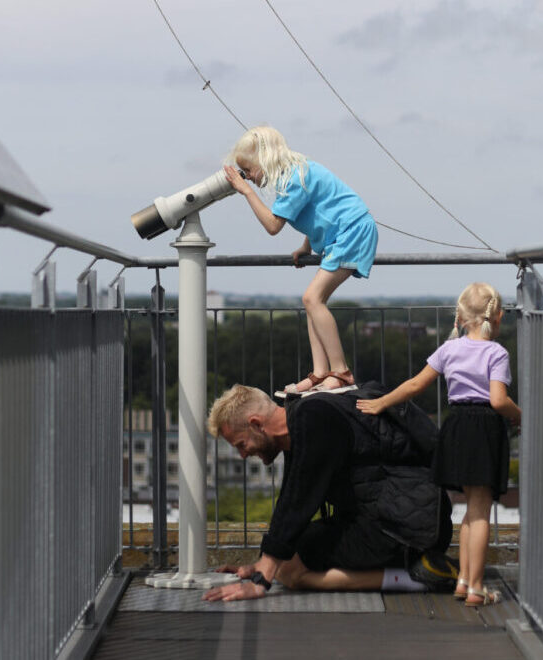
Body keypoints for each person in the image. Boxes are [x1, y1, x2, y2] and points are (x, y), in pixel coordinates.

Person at [202, 383, 456, 602]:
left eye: (241, 445)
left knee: (289, 570)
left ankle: (414, 578)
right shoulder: (303, 419)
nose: (243, 455)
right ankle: (418, 569)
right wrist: (261, 563)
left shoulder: (315, 419)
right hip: (396, 515)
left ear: (256, 424)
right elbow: (289, 503)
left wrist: (262, 579)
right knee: (287, 560)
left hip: (405, 527)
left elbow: (299, 500)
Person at [357, 283, 521, 607]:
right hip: (485, 428)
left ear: (459, 316)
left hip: (456, 425)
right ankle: (476, 587)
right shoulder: (496, 353)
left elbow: (416, 384)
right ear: (498, 317)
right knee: (480, 510)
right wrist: (520, 416)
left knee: (468, 512)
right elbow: (499, 400)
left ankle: (462, 580)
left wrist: (382, 403)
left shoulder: (449, 350)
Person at [223, 126, 378, 395]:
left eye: (249, 170)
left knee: (311, 299)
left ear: (264, 160)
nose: (247, 176)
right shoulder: (296, 172)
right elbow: (318, 210)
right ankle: (319, 374)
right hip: (343, 232)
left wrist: (246, 191)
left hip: (351, 231)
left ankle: (341, 373)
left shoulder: (294, 178)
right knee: (313, 303)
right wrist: (306, 246)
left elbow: (273, 225)